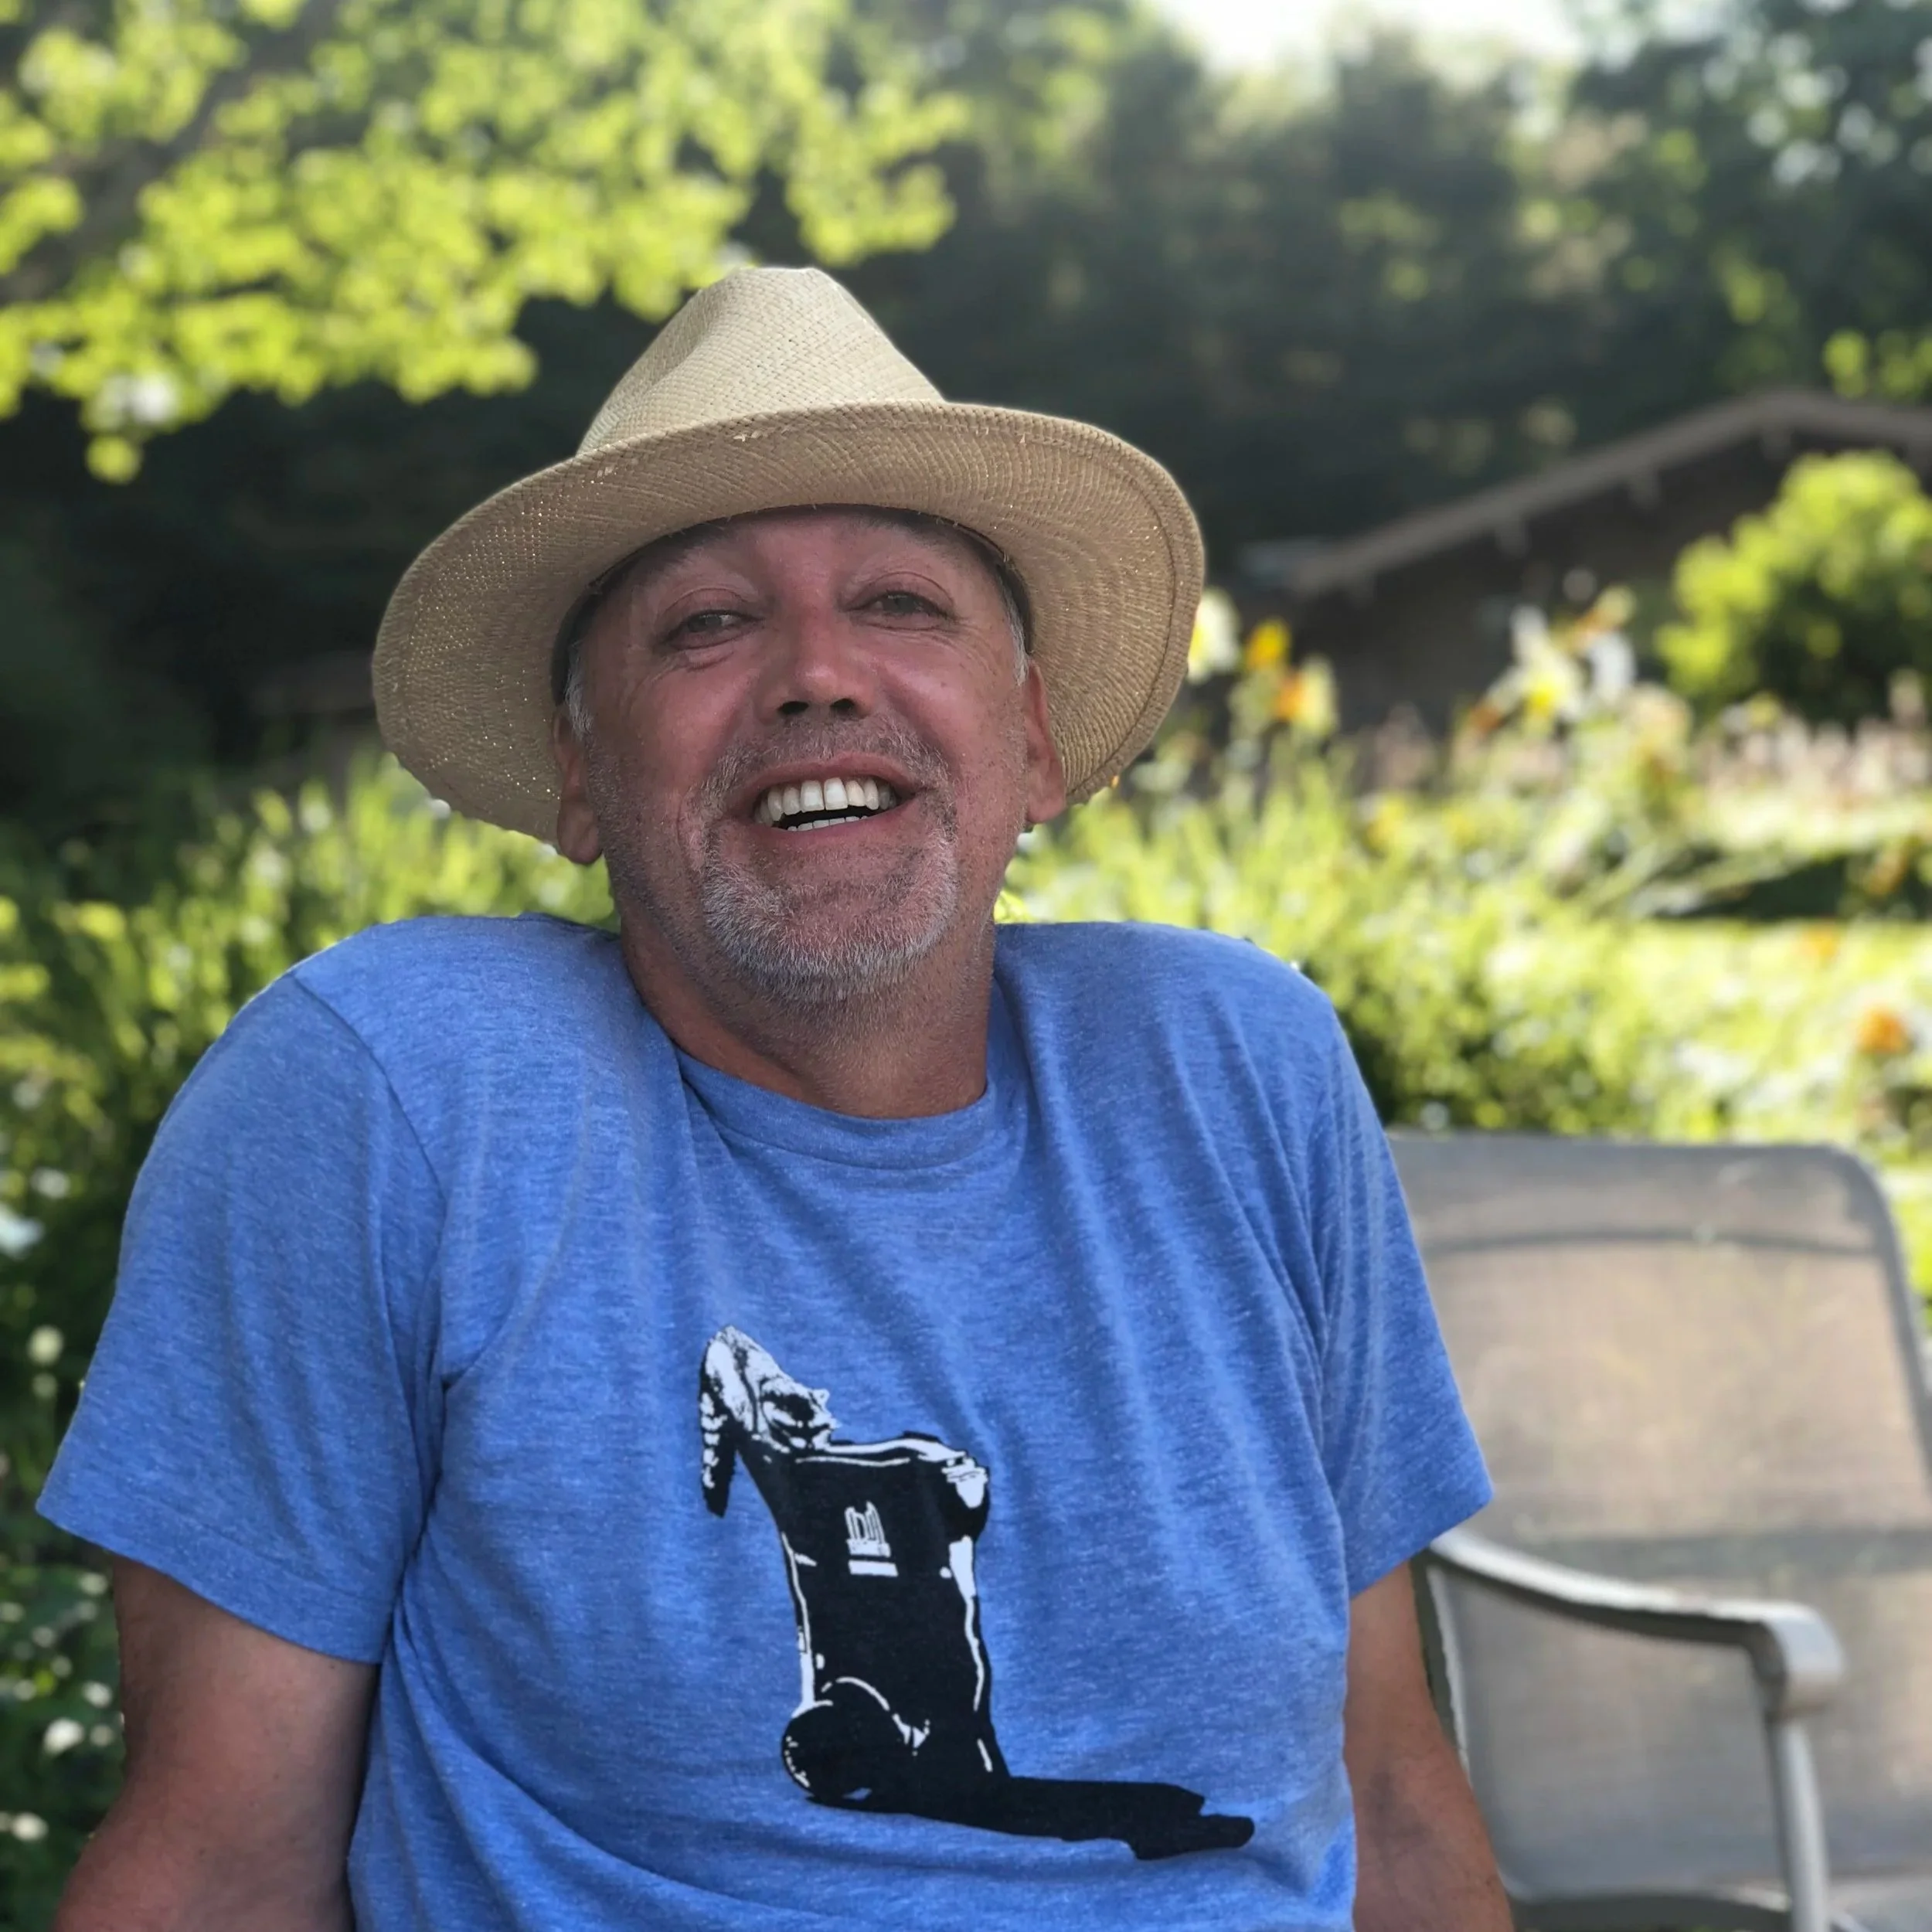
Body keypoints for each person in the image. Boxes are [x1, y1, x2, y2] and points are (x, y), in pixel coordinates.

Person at [40, 267, 1510, 1931]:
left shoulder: (1236, 1066)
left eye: (899, 603)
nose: (818, 676)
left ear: (1030, 740)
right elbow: (218, 1866)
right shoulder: (403, 1091)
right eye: (704, 624)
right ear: (581, 772)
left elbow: (1385, 1787)